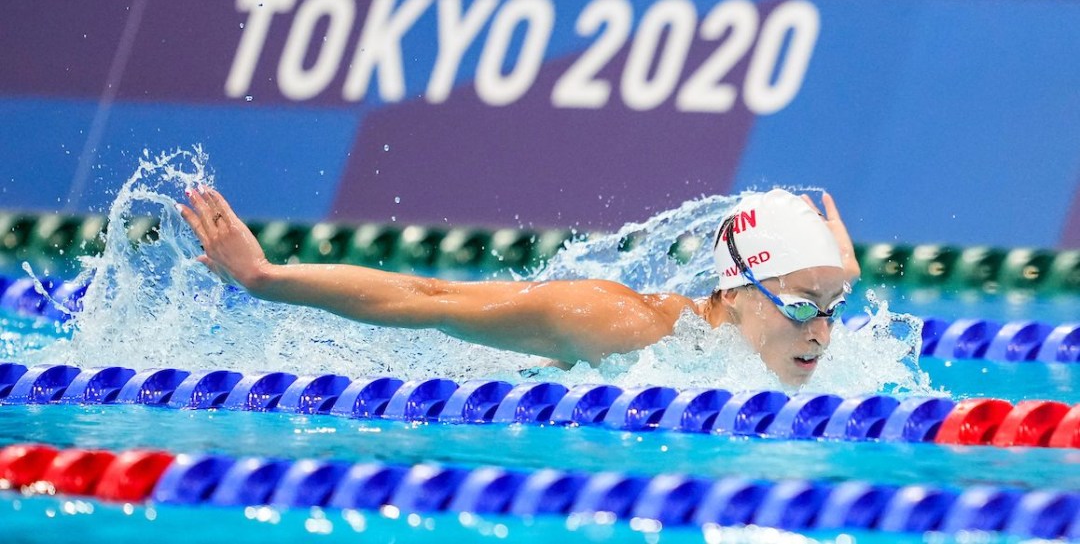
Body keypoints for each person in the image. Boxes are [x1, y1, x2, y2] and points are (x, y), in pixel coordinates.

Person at [177, 188, 859, 386]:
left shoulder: (778, 315)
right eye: (802, 307)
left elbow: (818, 286)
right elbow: (430, 300)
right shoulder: (625, 324)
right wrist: (267, 279)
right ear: (734, 291)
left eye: (833, 309)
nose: (821, 334)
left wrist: (830, 278)